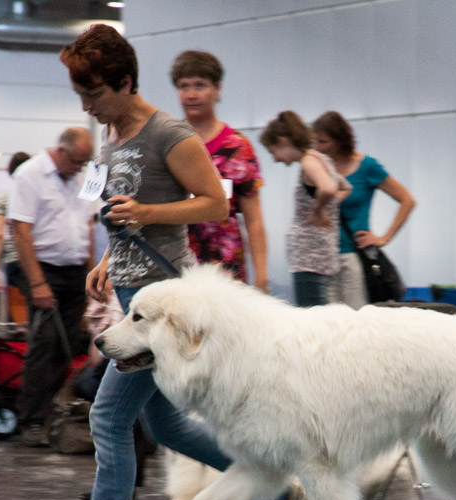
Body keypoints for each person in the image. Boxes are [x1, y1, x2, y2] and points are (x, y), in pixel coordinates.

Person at [38, 24, 301, 500]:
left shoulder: (170, 134)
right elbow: (119, 218)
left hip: (163, 308)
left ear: (125, 81)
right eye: (80, 95)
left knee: (108, 418)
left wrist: (149, 214)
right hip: (133, 297)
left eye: (94, 94)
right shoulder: (109, 140)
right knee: (165, 427)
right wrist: (107, 262)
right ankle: (273, 493)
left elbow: (214, 206)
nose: (87, 105)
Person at [8, 129, 96, 444]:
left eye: (85, 162)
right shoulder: (29, 174)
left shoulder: (83, 177)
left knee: (70, 345)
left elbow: (88, 228)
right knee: (43, 344)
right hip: (44, 271)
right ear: (60, 151)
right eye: (76, 161)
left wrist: (91, 275)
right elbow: (20, 231)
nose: (80, 167)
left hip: (75, 272)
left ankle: (50, 414)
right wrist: (37, 282)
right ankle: (30, 420)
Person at [170, 50, 269, 292]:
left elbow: (254, 220)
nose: (191, 94)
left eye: (200, 85)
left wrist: (262, 274)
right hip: (176, 265)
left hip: (226, 270)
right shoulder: (167, 142)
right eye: (184, 86)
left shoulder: (238, 147)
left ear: (217, 89)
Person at [312, 111, 416, 308]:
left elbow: (407, 200)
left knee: (357, 322)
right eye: (314, 142)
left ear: (340, 141)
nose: (318, 148)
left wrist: (384, 238)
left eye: (323, 142)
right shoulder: (317, 168)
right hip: (323, 258)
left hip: (354, 257)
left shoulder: (366, 166)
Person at [259, 111, 351, 307]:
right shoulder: (321, 159)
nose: (275, 159)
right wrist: (326, 207)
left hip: (309, 260)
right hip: (323, 257)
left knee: (312, 321)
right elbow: (345, 188)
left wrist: (317, 210)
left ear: (283, 141)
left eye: (273, 151)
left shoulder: (309, 162)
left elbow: (328, 187)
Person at [0, 151, 32, 323]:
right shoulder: (35, 196)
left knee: (18, 316)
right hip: (37, 260)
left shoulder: (4, 197)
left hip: (14, 262)